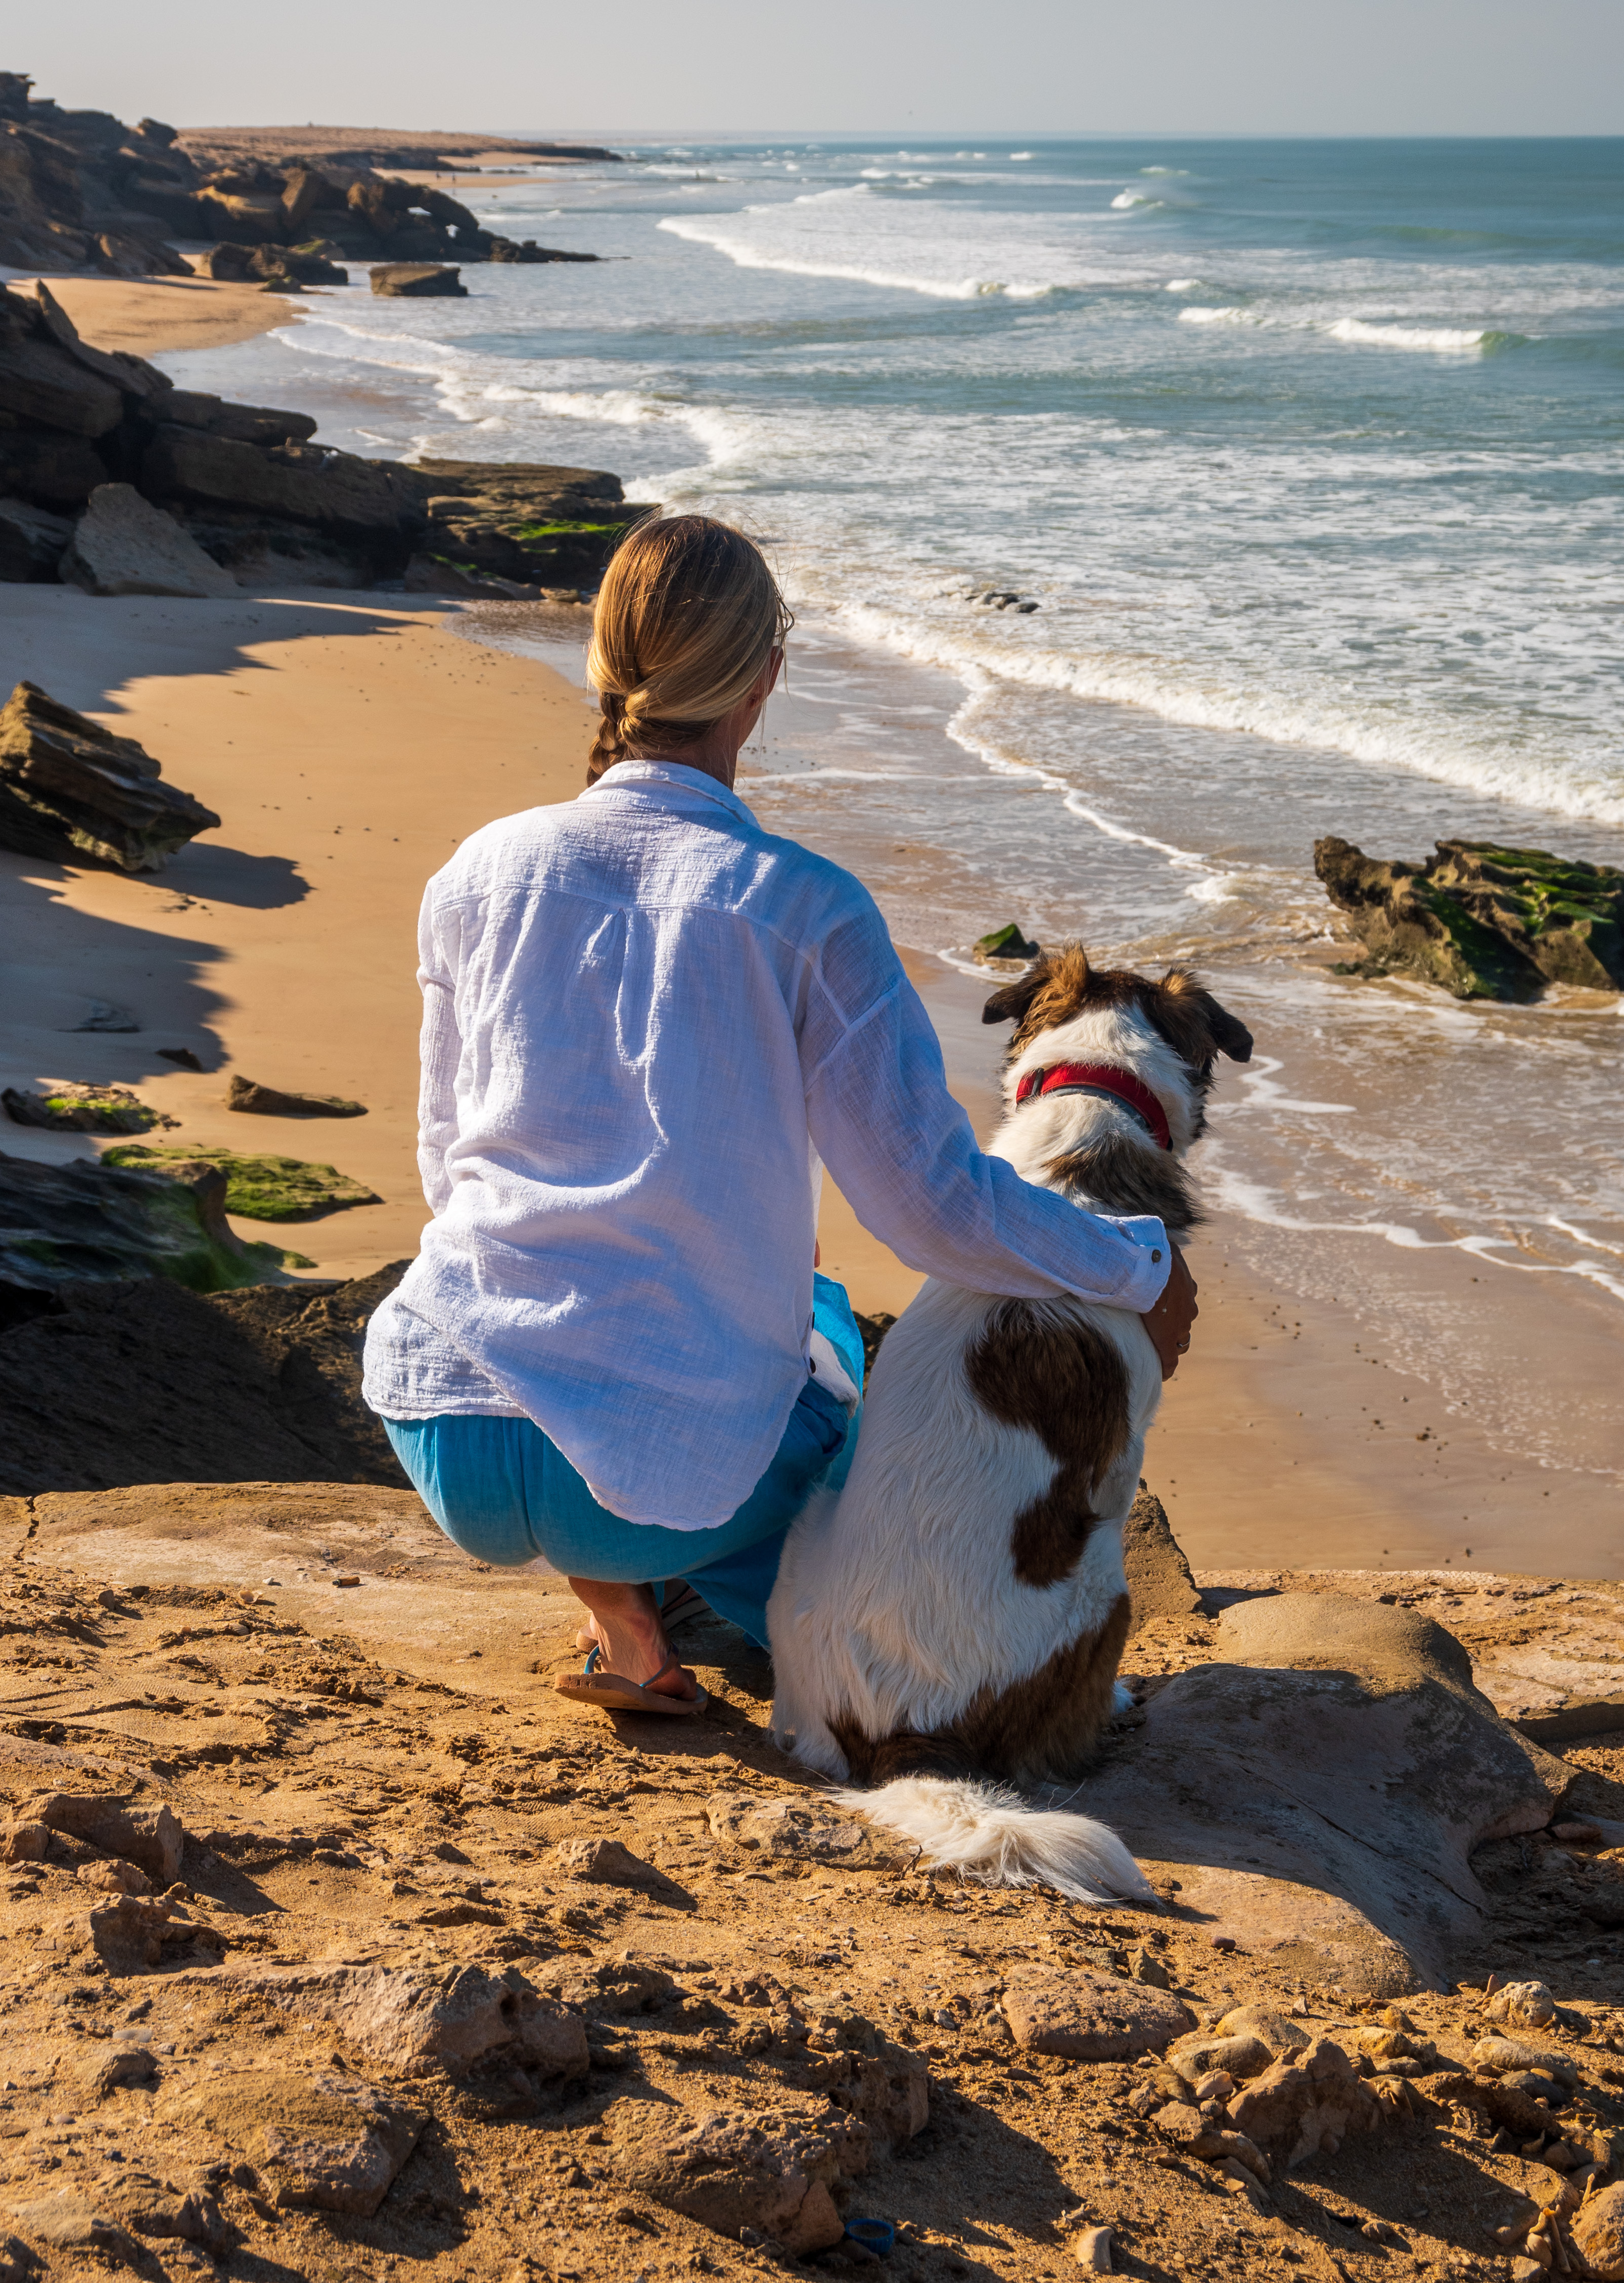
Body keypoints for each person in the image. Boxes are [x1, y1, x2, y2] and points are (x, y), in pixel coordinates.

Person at [362, 516, 1198, 1714]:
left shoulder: (481, 868)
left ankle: (626, 1637)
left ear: (605, 668)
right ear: (763, 677)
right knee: (836, 1389)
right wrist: (1132, 1263)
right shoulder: (802, 908)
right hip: (639, 1485)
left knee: (759, 1320)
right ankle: (821, 1649)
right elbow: (937, 1214)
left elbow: (450, 1163)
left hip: (445, 1425)